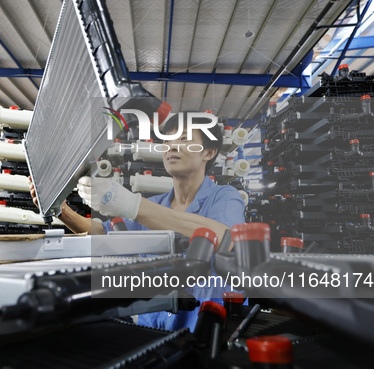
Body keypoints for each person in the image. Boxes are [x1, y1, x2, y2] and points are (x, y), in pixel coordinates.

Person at [30, 114, 245, 332]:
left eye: (183, 139)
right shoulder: (155, 205)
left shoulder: (225, 197)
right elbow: (102, 236)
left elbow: (223, 237)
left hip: (205, 331)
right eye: (167, 141)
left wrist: (132, 204)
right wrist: (62, 210)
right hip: (152, 331)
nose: (171, 147)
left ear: (209, 152)